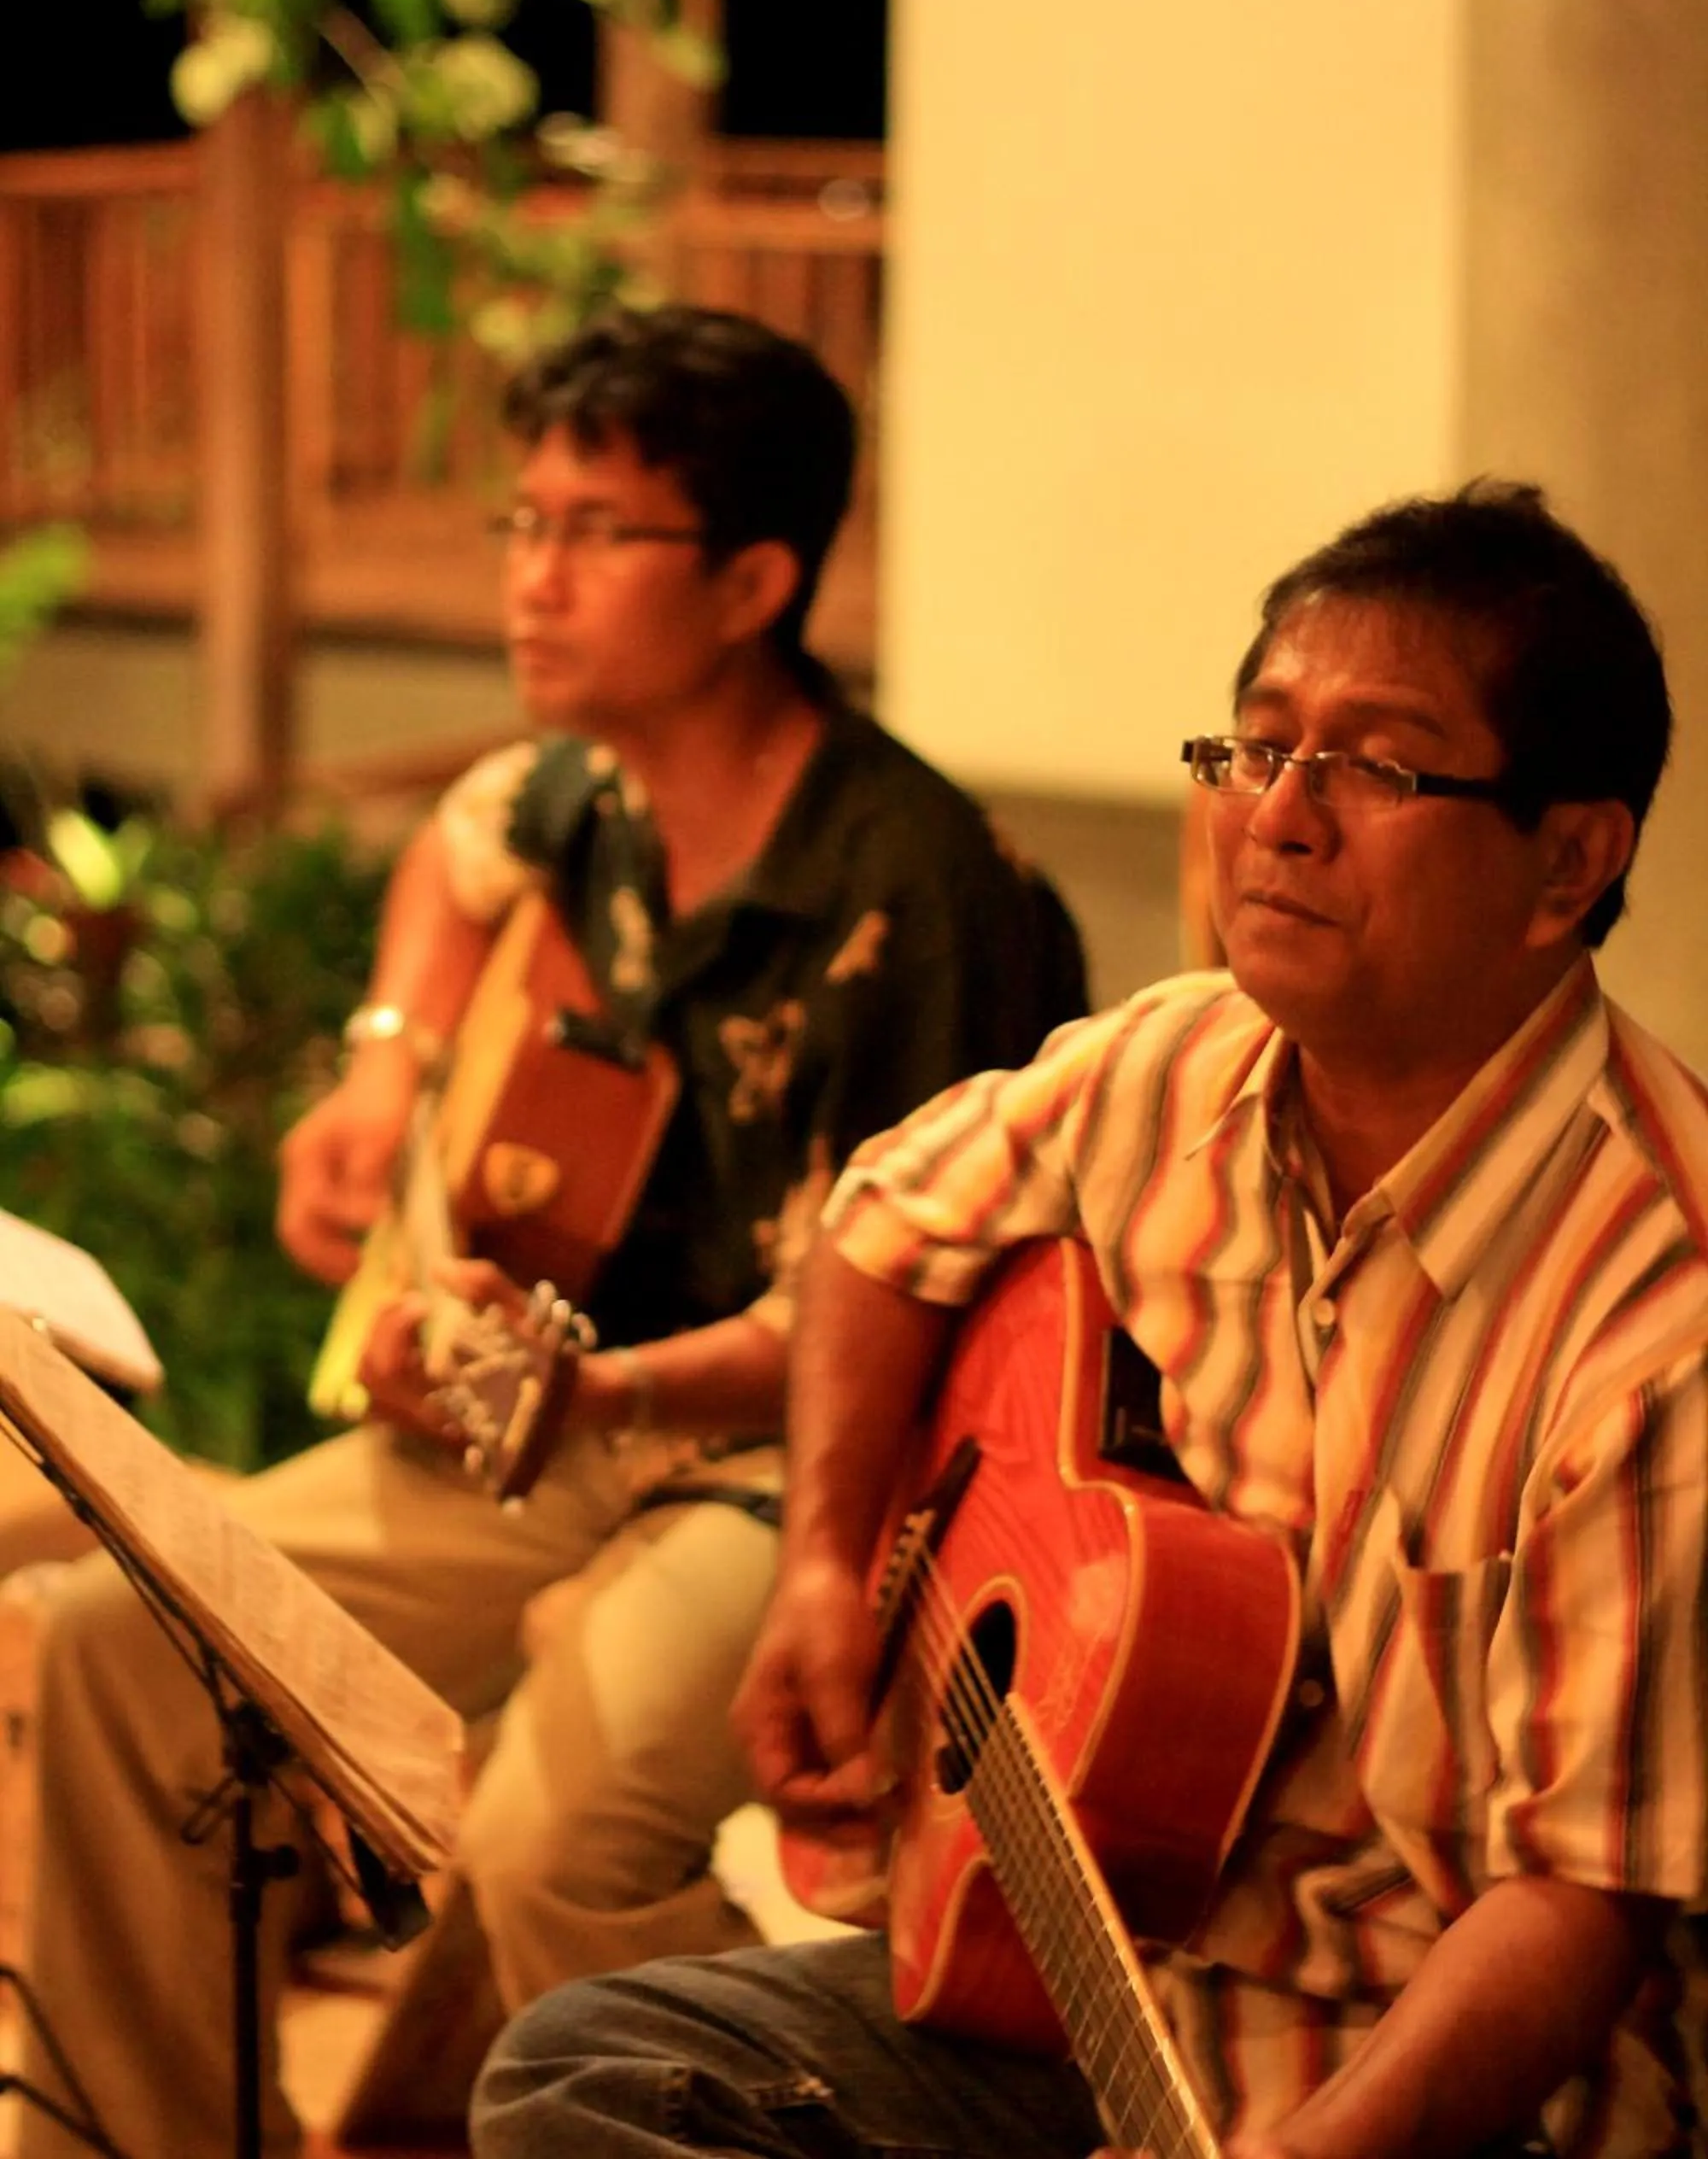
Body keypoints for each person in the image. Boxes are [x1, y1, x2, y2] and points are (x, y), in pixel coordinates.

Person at [471, 481, 1708, 2159]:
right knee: (591, 2071)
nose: (1278, 816)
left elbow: (1580, 1900)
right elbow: (879, 1234)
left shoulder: (1659, 1303)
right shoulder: (1171, 1064)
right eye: (1256, 748)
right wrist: (829, 1566)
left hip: (1440, 2094)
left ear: (1568, 860)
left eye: (1377, 768)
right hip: (1102, 1975)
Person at [15, 304, 1088, 2159]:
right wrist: (381, 1071)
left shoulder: (918, 888)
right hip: (562, 1418)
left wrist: (593, 1394)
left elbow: (878, 1301)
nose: (531, 576)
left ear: (753, 580)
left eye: (594, 532)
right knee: (120, 1642)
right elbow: (452, 845)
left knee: (552, 1834)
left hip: (803, 1470)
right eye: (522, 522)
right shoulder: (583, 792)